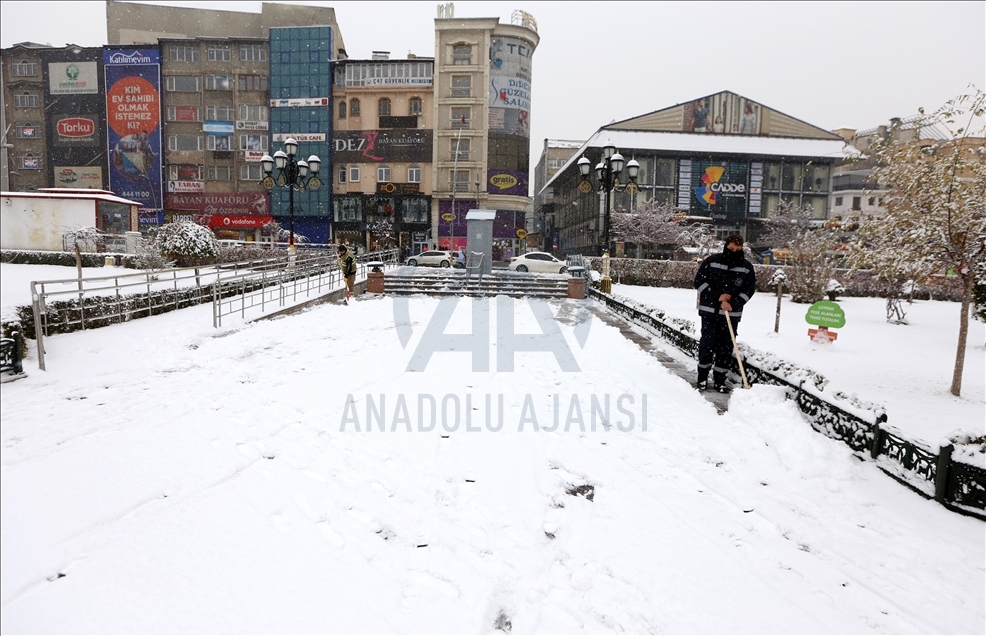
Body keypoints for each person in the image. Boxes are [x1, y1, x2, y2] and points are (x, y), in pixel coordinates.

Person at [693, 235, 756, 392]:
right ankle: (702, 377)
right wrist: (717, 296)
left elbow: (749, 290)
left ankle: (720, 380)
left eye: (737, 250)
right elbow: (698, 282)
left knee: (726, 347)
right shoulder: (712, 261)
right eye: (731, 249)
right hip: (710, 313)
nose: (734, 252)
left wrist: (733, 304)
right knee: (708, 344)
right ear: (725, 247)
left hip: (731, 315)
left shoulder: (746, 267)